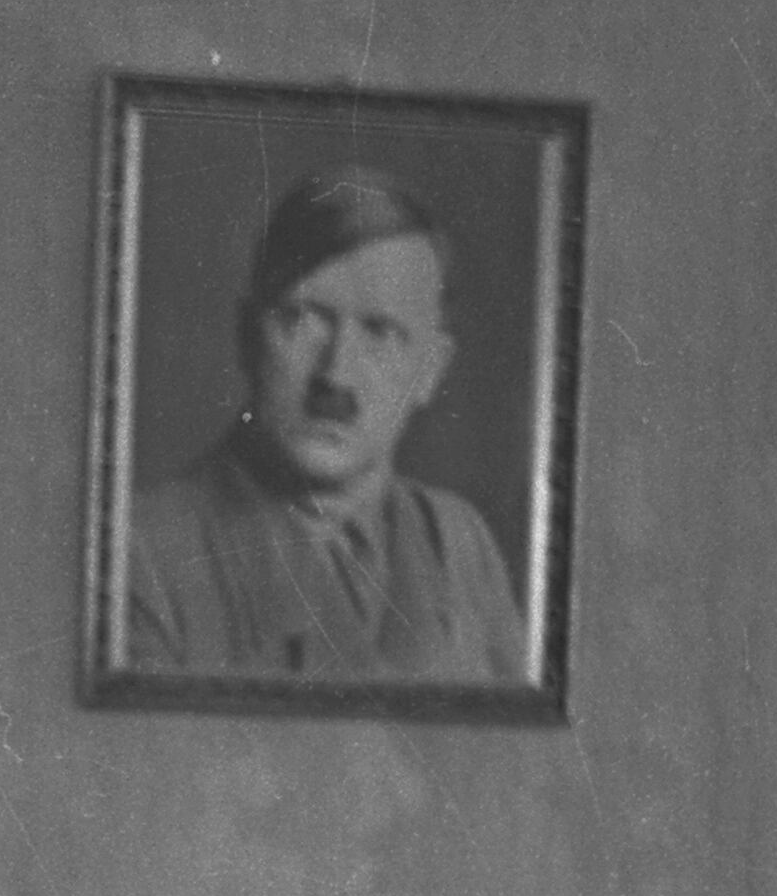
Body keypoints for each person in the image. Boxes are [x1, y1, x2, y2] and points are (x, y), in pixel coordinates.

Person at [121, 167, 531, 689]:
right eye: (302, 319)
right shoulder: (144, 553)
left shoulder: (459, 542)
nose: (335, 377)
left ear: (430, 371)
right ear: (248, 336)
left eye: (380, 332)